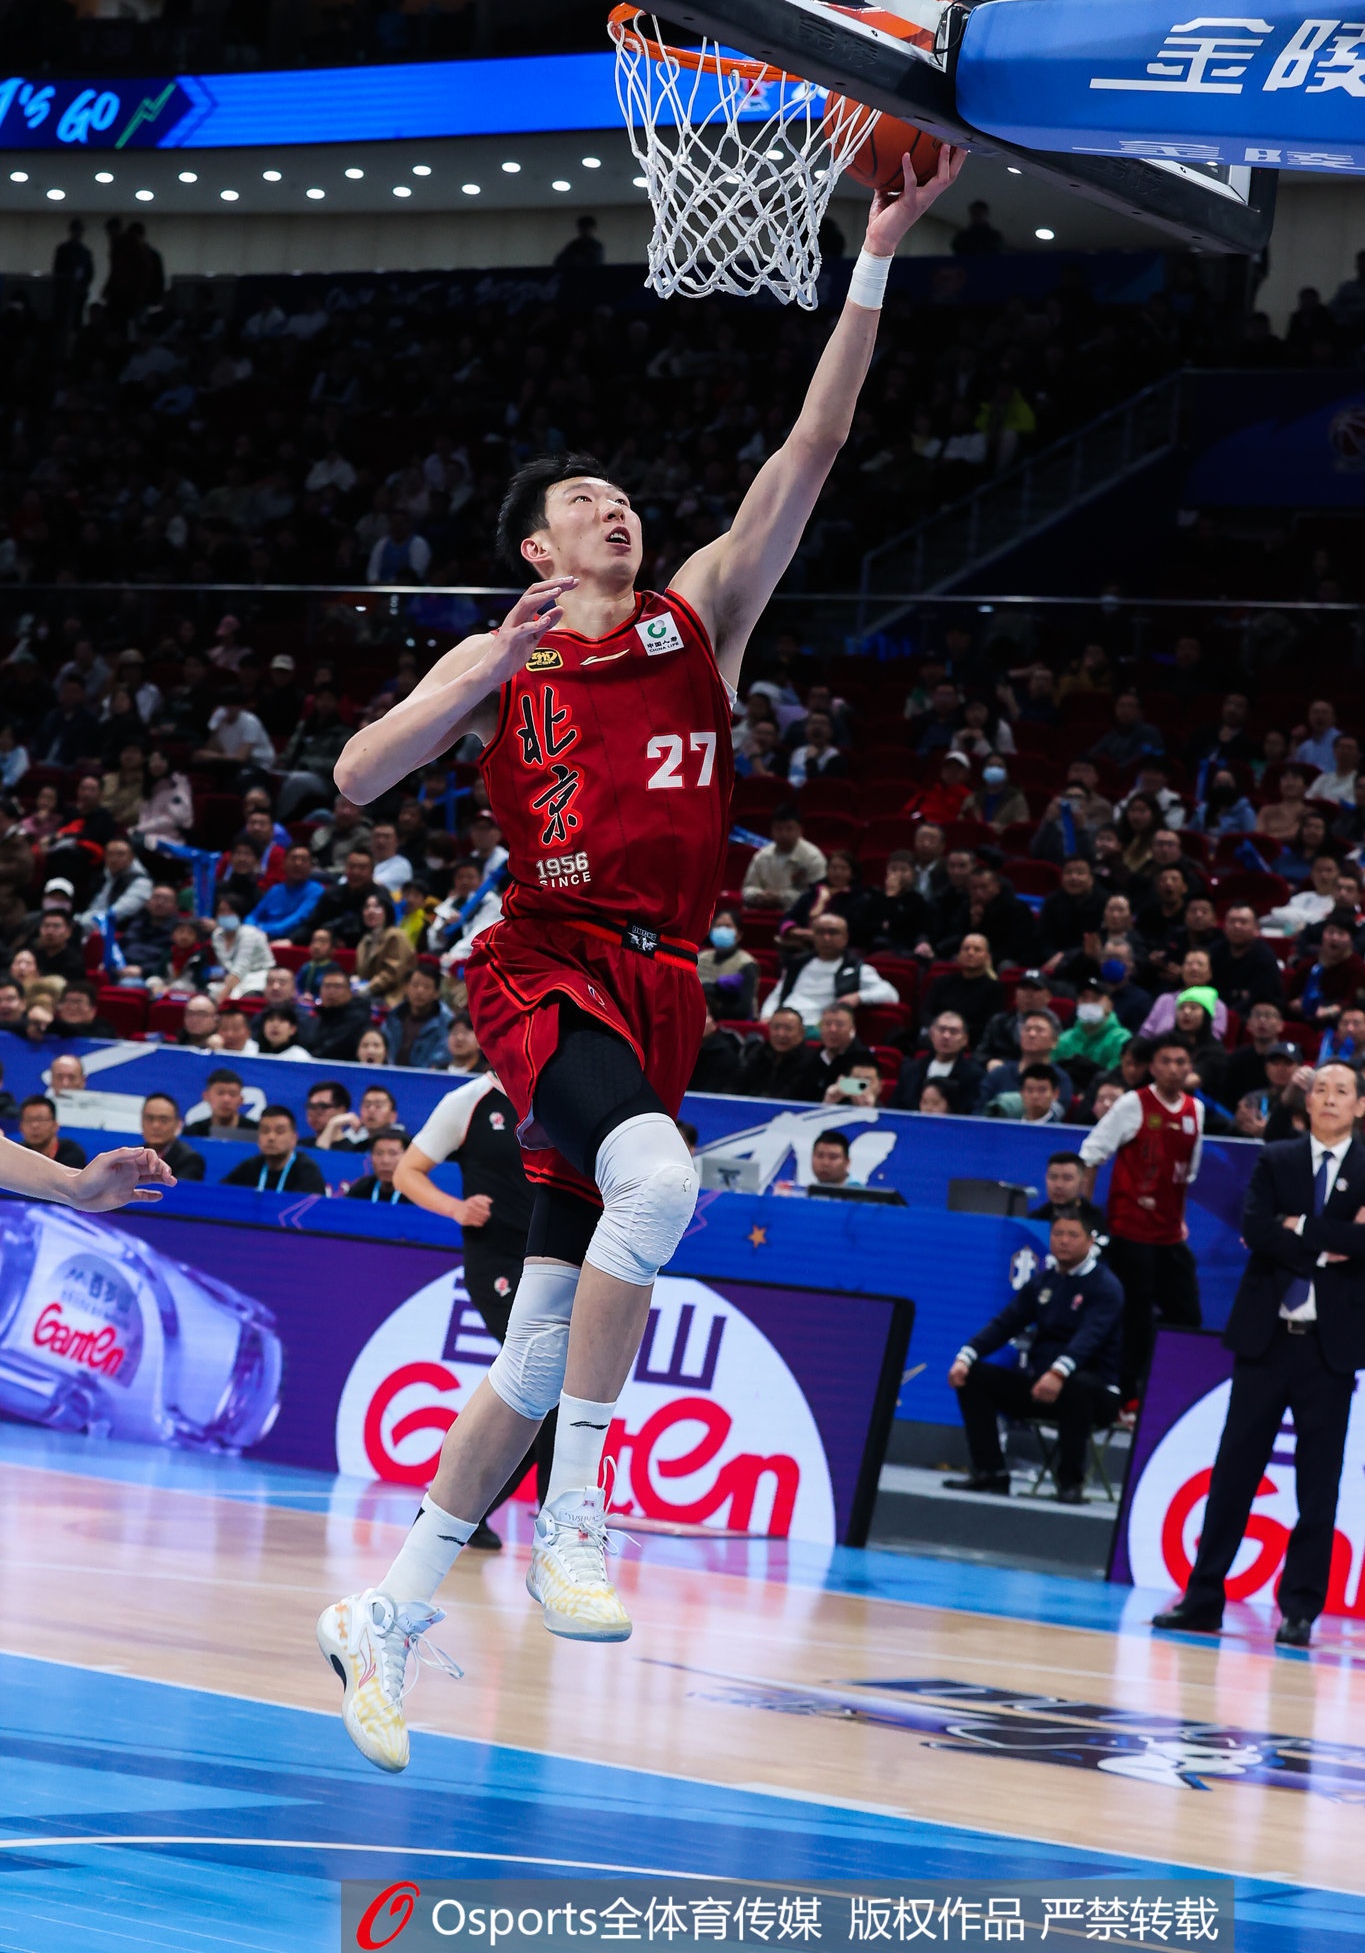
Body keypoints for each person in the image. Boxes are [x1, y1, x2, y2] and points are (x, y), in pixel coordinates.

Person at [315, 144, 969, 1769]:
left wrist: (876, 251)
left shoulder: (699, 619)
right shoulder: (501, 655)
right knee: (662, 1184)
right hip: (540, 966)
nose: (617, 508)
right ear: (539, 550)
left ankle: (386, 1610)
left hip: (662, 982)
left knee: (541, 1341)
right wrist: (479, 678)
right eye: (583, 504)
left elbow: (811, 449)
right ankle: (576, 1520)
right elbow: (356, 780)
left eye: (622, 497)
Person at [1154, 1061, 1365, 1647]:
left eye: (1341, 1091)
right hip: (1265, 1341)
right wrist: (1331, 1242)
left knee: (1318, 1486)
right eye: (1320, 1089)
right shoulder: (1278, 1159)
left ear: (1360, 1106)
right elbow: (1257, 1229)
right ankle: (1202, 1598)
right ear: (1307, 1101)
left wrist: (1301, 1229)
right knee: (1232, 1474)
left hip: (1329, 1349)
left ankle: (1300, 1610)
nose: (1329, 1098)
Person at [394, 1071, 556, 1540]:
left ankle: (459, 1512)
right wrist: (455, 1208)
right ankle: (553, 1525)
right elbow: (406, 1172)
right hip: (498, 1263)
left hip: (556, 1263)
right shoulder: (468, 1100)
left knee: (541, 1390)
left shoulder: (558, 1094)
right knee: (548, 1379)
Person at [944, 1205, 1122, 1502]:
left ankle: (1070, 1483)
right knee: (973, 1377)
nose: (1064, 1241)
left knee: (1077, 1386)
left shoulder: (1106, 1287)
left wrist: (1058, 1372)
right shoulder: (1043, 1282)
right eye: (1058, 1234)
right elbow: (1005, 1324)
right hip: (1043, 1387)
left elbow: (1089, 1338)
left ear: (1090, 1241)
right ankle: (991, 1473)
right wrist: (966, 1355)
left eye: (1073, 1235)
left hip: (1097, 1393)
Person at [1080, 1032, 1203, 1404]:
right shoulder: (1132, 1104)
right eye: (1166, 1061)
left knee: (1187, 1315)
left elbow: (1186, 1174)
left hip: (1169, 1233)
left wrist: (1180, 1219)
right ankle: (1126, 1396)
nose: (1174, 1069)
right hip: (1130, 1230)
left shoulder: (1195, 1110)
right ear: (1152, 1067)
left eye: (1181, 1062)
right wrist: (1084, 1216)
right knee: (1135, 1317)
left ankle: (1175, 1391)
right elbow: (1091, 1155)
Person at [757, 913, 898, 1030]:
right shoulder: (797, 964)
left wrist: (858, 997)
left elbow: (890, 994)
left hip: (820, 1028)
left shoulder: (857, 969)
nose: (826, 938)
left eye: (833, 932)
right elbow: (777, 994)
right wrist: (767, 1015)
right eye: (820, 933)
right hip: (785, 1023)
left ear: (845, 937)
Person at [222, 1106, 327, 1194]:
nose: (271, 1137)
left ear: (294, 1139)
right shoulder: (250, 1167)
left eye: (279, 1131)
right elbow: (222, 1195)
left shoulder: (306, 1170)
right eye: (265, 1131)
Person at [741, 806, 827, 913]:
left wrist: (781, 897)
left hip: (799, 914)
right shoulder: (762, 856)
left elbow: (817, 895)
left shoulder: (813, 857)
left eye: (789, 829)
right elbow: (747, 889)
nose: (783, 834)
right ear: (772, 830)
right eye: (778, 829)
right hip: (763, 911)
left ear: (800, 830)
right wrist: (759, 895)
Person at [895, 1011, 983, 1114]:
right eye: (941, 1030)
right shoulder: (910, 1070)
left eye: (953, 1031)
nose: (946, 1036)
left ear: (965, 1039)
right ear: (931, 1034)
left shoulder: (975, 1076)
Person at [381, 958, 451, 1069]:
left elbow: (441, 1058)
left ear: (436, 993)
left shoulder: (446, 1023)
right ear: (406, 988)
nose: (420, 991)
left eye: (426, 987)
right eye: (415, 985)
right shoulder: (394, 1016)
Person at [248, 844, 325, 945]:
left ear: (311, 867)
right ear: (283, 864)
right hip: (260, 935)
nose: (298, 863)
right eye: (293, 858)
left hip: (288, 939)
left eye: (303, 860)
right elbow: (253, 916)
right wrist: (249, 928)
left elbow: (298, 919)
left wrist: (264, 931)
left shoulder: (316, 891)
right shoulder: (275, 889)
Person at [735, 1005, 815, 1100]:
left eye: (788, 1029)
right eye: (776, 1028)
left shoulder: (811, 1062)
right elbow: (736, 1088)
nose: (781, 1034)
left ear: (801, 1033)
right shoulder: (758, 1053)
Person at [696, 907, 759, 1020]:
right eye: (718, 926)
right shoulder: (700, 958)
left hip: (733, 1020)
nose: (722, 930)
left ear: (739, 935)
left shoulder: (747, 963)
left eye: (728, 926)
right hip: (698, 1015)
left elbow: (744, 1009)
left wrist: (714, 1011)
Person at [304, 964, 373, 1063]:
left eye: (337, 986)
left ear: (349, 991)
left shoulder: (358, 1018)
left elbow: (333, 1049)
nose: (331, 991)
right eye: (327, 986)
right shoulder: (317, 1016)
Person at [139, 1093, 206, 1181]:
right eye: (149, 1118)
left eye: (164, 1120)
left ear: (178, 1124)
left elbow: (178, 1189)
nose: (155, 1125)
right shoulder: (133, 1156)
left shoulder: (190, 1160)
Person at [183, 1068, 257, 1141]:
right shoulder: (193, 1133)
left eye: (232, 1094)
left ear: (241, 1100)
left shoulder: (256, 1131)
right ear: (206, 1096)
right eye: (220, 1093)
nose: (226, 1100)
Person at [17, 1094, 87, 1170]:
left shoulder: (72, 1152)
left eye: (41, 1119)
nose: (34, 1126)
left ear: (55, 1125)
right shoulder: (17, 1153)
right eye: (29, 1120)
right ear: (21, 1127)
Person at [344, 1128, 408, 1204]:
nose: (385, 1161)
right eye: (379, 1153)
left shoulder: (416, 1192)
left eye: (393, 1153)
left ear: (407, 1157)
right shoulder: (361, 1189)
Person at [1030, 1151, 1087, 1224]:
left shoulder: (1095, 1221)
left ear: (1082, 1184)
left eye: (1067, 1178)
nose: (1059, 1185)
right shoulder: (1035, 1221)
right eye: (1053, 1177)